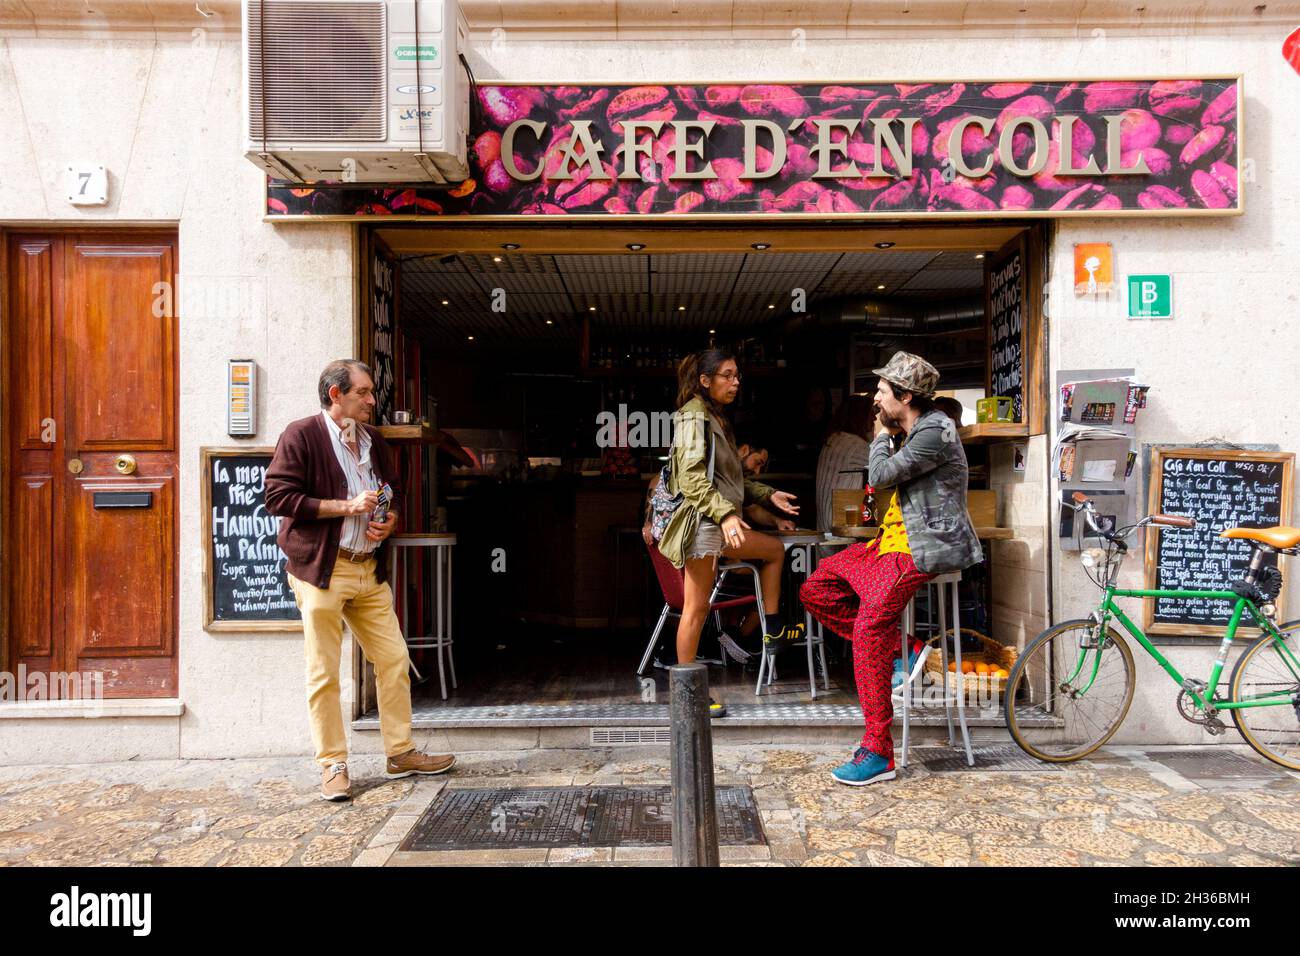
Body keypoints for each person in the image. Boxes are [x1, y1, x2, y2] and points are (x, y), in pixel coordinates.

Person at [265, 359, 456, 802]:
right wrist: (345, 507)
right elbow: (278, 497)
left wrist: (387, 519)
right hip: (322, 571)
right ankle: (332, 764)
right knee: (324, 671)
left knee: (392, 659)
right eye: (364, 393)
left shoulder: (372, 440)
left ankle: (400, 752)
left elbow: (393, 490)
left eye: (371, 393)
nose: (373, 401)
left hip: (369, 568)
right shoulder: (301, 435)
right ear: (336, 394)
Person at [799, 352, 982, 786]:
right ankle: (907, 650)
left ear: (904, 395)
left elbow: (879, 476)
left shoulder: (935, 430)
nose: (876, 399)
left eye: (882, 391)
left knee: (867, 633)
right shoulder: (913, 429)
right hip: (888, 546)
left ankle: (878, 751)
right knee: (817, 588)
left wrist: (880, 432)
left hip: (921, 550)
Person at [657, 349, 804, 716]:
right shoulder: (693, 416)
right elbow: (691, 479)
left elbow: (730, 480)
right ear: (705, 380)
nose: (735, 382)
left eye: (737, 375)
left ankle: (770, 632)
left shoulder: (715, 417)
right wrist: (725, 516)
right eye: (727, 375)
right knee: (696, 609)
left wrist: (769, 496)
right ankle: (688, 695)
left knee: (773, 550)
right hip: (704, 525)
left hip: (719, 524)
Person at [815, 395, 876, 531]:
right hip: (840, 528)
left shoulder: (834, 439)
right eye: (870, 414)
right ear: (859, 417)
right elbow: (884, 470)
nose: (875, 418)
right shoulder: (854, 445)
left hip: (825, 524)